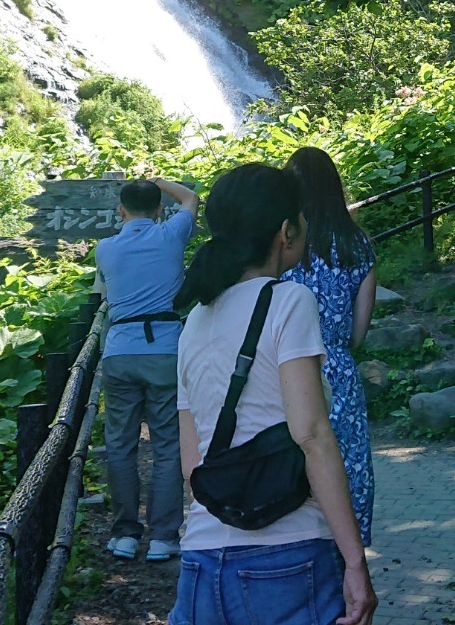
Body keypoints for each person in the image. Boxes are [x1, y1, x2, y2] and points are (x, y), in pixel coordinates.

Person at [171, 163, 376, 625]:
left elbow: (191, 465)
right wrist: (356, 562)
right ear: (287, 232)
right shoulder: (289, 300)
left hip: (200, 561)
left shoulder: (193, 323)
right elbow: (312, 435)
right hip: (288, 557)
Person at [96, 177, 200, 562]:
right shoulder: (171, 234)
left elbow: (106, 296)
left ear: (121, 212)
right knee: (168, 445)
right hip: (165, 351)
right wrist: (160, 181)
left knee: (120, 445)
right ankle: (163, 537)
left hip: (119, 352)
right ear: (159, 210)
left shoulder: (105, 248)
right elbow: (190, 198)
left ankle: (124, 534)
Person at [282, 147, 379, 544]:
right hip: (337, 370)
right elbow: (359, 332)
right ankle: (347, 552)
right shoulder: (358, 244)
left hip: (286, 369)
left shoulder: (286, 244)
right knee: (347, 463)